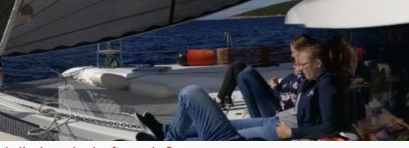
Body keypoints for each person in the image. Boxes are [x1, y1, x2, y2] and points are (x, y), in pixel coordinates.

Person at [137, 35, 354, 141]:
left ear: (318, 64)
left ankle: (169, 138)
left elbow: (331, 125)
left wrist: (293, 132)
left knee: (190, 93)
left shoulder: (327, 83)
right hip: (274, 121)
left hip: (278, 129)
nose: (298, 67)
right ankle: (167, 134)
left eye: (302, 64)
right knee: (227, 122)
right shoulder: (318, 78)